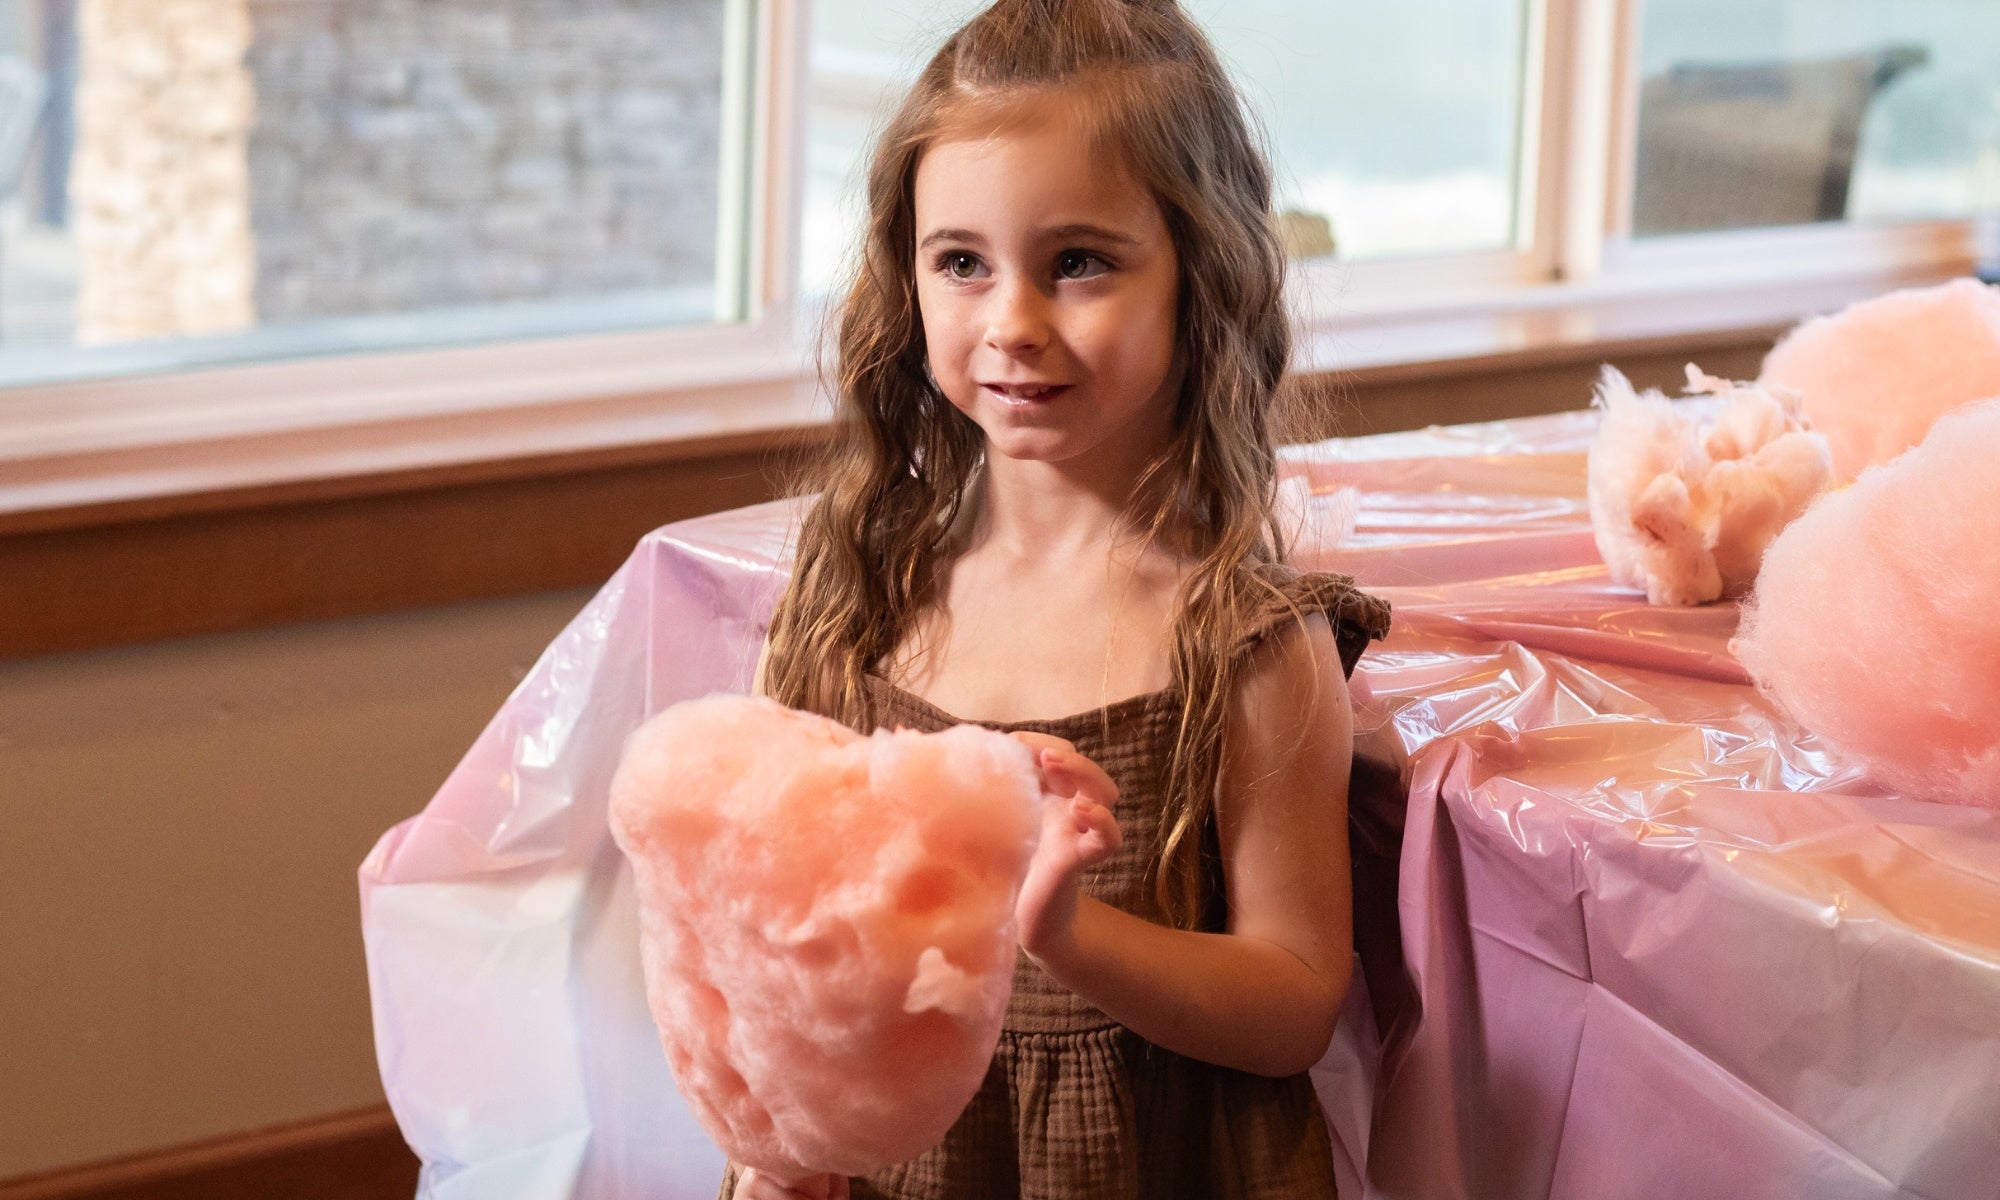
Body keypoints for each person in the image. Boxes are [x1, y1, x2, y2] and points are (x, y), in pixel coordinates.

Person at [729, 0, 1389, 1195]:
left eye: (1077, 262)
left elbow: (1294, 1000)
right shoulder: (861, 596)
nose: (1011, 323)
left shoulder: (1241, 644)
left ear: (1204, 273)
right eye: (962, 263)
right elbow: (791, 929)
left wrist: (1070, 936)